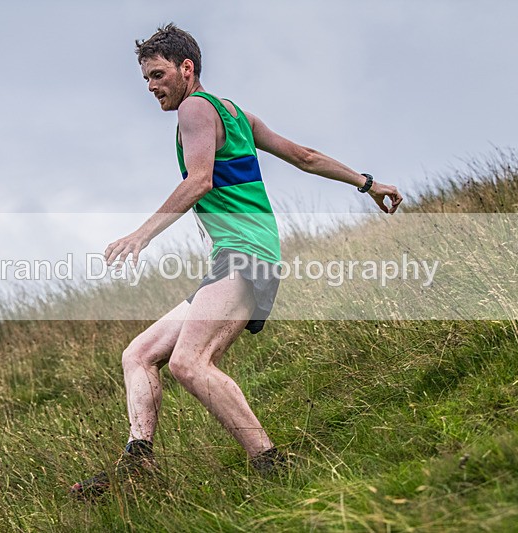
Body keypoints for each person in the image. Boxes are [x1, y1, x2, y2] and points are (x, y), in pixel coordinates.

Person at [70, 23, 402, 497]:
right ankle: (139, 461)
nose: (151, 87)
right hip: (237, 258)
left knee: (190, 362)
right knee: (139, 354)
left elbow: (199, 180)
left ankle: (270, 462)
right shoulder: (235, 113)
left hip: (245, 256)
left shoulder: (195, 109)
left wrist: (141, 235)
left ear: (187, 68)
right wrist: (368, 183)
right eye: (145, 78)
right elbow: (304, 156)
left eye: (158, 74)